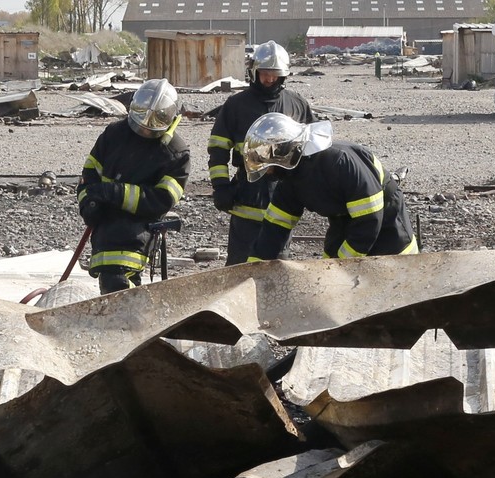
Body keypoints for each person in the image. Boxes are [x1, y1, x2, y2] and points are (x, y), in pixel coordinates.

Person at [242, 112, 418, 262]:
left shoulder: (339, 162)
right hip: (344, 221)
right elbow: (275, 228)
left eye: (268, 166)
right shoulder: (290, 177)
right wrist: (253, 271)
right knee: (332, 270)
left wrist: (341, 268)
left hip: (387, 223)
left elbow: (369, 219)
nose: (268, 173)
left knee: (391, 282)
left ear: (282, 154)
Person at [78, 78, 190, 294]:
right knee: (108, 275)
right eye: (141, 125)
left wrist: (113, 193)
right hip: (104, 221)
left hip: (138, 226)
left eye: (151, 128)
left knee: (118, 277)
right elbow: (89, 174)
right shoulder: (114, 134)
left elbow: (161, 200)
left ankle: (125, 319)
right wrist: (88, 204)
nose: (145, 132)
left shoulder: (175, 153)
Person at [207, 40, 315, 265]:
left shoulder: (296, 104)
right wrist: (220, 186)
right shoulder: (236, 105)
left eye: (275, 74)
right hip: (246, 191)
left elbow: (311, 149)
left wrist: (308, 187)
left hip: (283, 194)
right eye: (265, 73)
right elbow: (218, 149)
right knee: (239, 266)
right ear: (254, 72)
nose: (269, 79)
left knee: (277, 264)